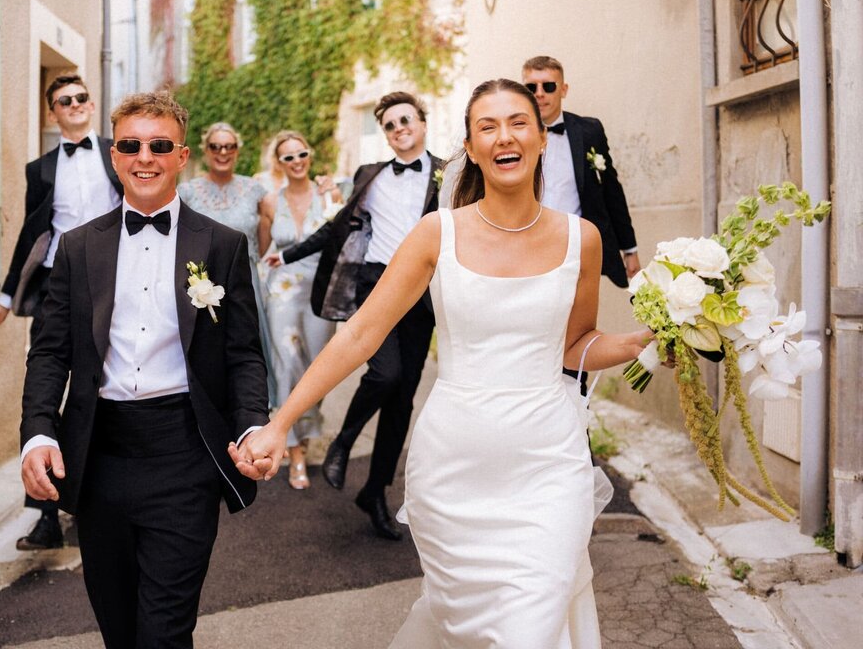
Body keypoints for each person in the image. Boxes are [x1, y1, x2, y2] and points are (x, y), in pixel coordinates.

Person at [236, 78, 653, 647]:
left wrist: (633, 344)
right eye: (488, 126)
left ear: (542, 141)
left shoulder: (582, 239)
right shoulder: (439, 234)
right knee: (471, 630)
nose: (504, 136)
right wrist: (281, 422)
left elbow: (574, 344)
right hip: (458, 468)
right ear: (472, 147)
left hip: (549, 463)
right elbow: (360, 335)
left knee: (531, 627)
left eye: (518, 122)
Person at [20, 91, 269, 649]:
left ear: (182, 156)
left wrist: (253, 425)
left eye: (159, 146)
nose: (145, 158)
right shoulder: (80, 247)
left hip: (184, 458)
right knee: (120, 630)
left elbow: (243, 353)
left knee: (163, 634)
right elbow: (51, 351)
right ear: (115, 156)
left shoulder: (222, 245)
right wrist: (38, 432)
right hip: (99, 458)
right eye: (130, 145)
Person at [265, 92, 444, 540]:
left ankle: (376, 492)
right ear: (383, 134)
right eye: (389, 124)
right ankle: (344, 440)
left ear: (422, 123)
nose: (399, 128)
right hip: (376, 285)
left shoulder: (448, 174)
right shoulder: (370, 176)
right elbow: (336, 227)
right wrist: (288, 254)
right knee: (385, 375)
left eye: (406, 120)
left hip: (422, 295)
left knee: (402, 398)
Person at [0, 73, 122, 551]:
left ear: (92, 104)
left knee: (104, 388)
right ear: (52, 112)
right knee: (42, 389)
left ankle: (92, 496)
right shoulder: (40, 169)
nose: (76, 104)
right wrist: (3, 301)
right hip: (59, 285)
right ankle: (44, 517)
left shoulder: (116, 152)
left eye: (82, 98)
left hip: (112, 283)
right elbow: (31, 234)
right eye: (65, 100)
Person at [257, 130, 337, 490]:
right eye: (287, 156)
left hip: (321, 291)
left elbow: (343, 240)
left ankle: (304, 430)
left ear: (310, 154)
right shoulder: (271, 202)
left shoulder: (330, 194)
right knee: (287, 363)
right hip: (284, 291)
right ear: (279, 163)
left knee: (318, 367)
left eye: (300, 153)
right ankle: (295, 448)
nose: (296, 161)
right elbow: (261, 250)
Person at [178, 123, 277, 403]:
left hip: (245, 282)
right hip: (200, 282)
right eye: (216, 146)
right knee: (204, 349)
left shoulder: (255, 190)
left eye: (229, 146)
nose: (223, 152)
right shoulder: (187, 191)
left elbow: (267, 235)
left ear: (237, 151)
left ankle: (252, 407)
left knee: (245, 346)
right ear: (205, 150)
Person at [522, 56, 639, 287]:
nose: (540, 93)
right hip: (529, 247)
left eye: (548, 86)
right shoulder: (514, 135)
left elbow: (612, 191)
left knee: (580, 320)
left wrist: (630, 248)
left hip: (577, 248)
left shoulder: (589, 131)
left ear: (563, 90)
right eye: (531, 87)